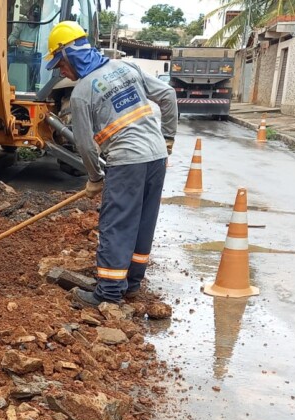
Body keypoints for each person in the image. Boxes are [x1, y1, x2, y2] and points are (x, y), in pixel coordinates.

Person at [43, 21, 177, 307]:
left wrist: (94, 177)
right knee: (143, 220)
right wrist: (167, 139)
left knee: (116, 225)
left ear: (70, 57)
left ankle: (108, 293)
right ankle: (131, 284)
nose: (61, 72)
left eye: (60, 65)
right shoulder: (126, 68)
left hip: (127, 161)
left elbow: (85, 145)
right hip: (155, 157)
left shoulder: (81, 93)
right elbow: (167, 95)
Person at [8, 3, 42, 91]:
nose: (34, 19)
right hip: (19, 55)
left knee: (39, 67)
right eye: (32, 16)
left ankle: (34, 89)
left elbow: (44, 43)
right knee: (7, 59)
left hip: (33, 57)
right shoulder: (21, 24)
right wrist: (15, 41)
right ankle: (6, 85)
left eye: (36, 17)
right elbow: (10, 38)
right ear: (28, 14)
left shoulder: (41, 28)